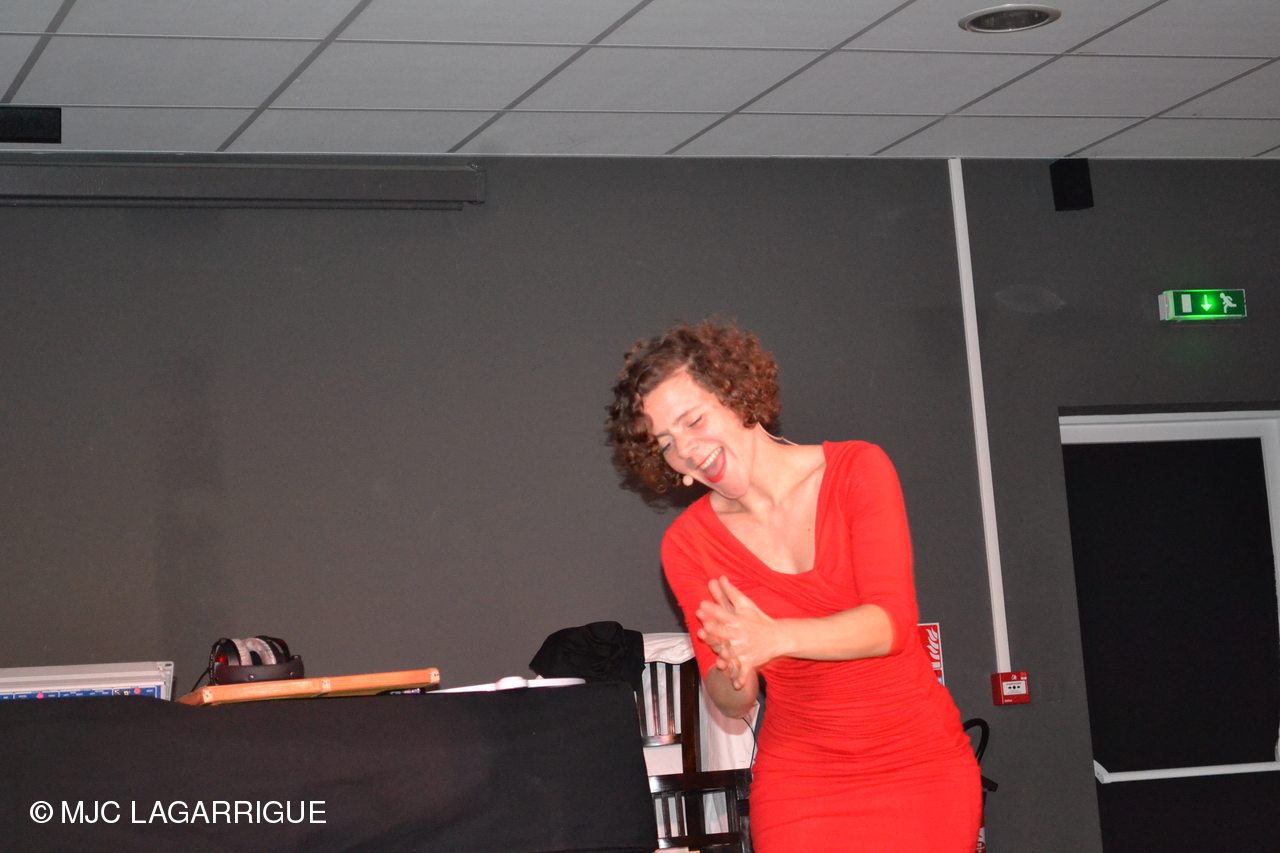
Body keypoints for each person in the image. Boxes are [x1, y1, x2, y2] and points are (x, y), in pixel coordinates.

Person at [606, 320, 981, 852]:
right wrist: (735, 666)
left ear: (734, 394)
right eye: (666, 443)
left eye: (693, 420)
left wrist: (774, 637)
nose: (685, 448)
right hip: (801, 782)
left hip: (918, 766)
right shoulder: (687, 545)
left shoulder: (857, 469)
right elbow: (730, 699)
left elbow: (890, 625)